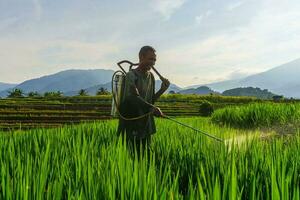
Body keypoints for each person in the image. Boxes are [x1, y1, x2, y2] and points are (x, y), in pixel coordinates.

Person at [117, 46, 170, 156]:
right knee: (131, 156)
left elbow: (150, 100)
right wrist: (152, 108)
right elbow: (132, 98)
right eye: (150, 59)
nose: (153, 63)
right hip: (132, 122)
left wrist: (162, 90)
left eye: (154, 60)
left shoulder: (150, 77)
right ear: (141, 57)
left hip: (146, 123)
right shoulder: (131, 75)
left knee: (146, 155)